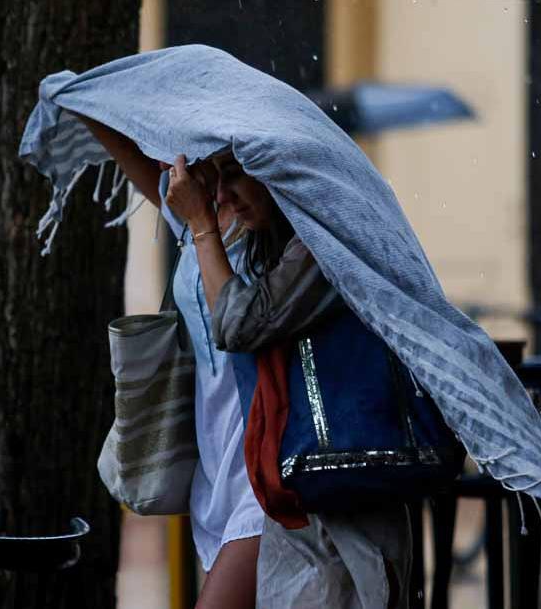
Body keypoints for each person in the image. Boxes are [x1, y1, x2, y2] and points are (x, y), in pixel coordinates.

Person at [165, 151, 412, 609]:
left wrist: (202, 224)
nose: (223, 196)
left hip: (333, 486)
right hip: (283, 482)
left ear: (275, 168)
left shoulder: (323, 235)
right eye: (217, 182)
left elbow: (238, 325)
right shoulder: (265, 236)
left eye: (236, 175)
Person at [77, 116, 263, 609]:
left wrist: (203, 222)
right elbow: (130, 156)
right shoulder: (193, 219)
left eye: (174, 151)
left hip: (261, 461)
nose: (165, 164)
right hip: (212, 460)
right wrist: (88, 102)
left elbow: (235, 323)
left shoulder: (261, 223)